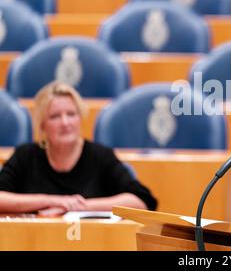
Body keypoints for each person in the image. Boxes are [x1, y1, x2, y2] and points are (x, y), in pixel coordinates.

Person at [0, 81, 157, 216]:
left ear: (80, 118)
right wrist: (51, 200)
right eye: (55, 116)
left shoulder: (100, 155)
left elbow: (141, 201)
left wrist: (78, 207)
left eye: (71, 114)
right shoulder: (25, 156)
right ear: (42, 124)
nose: (65, 122)